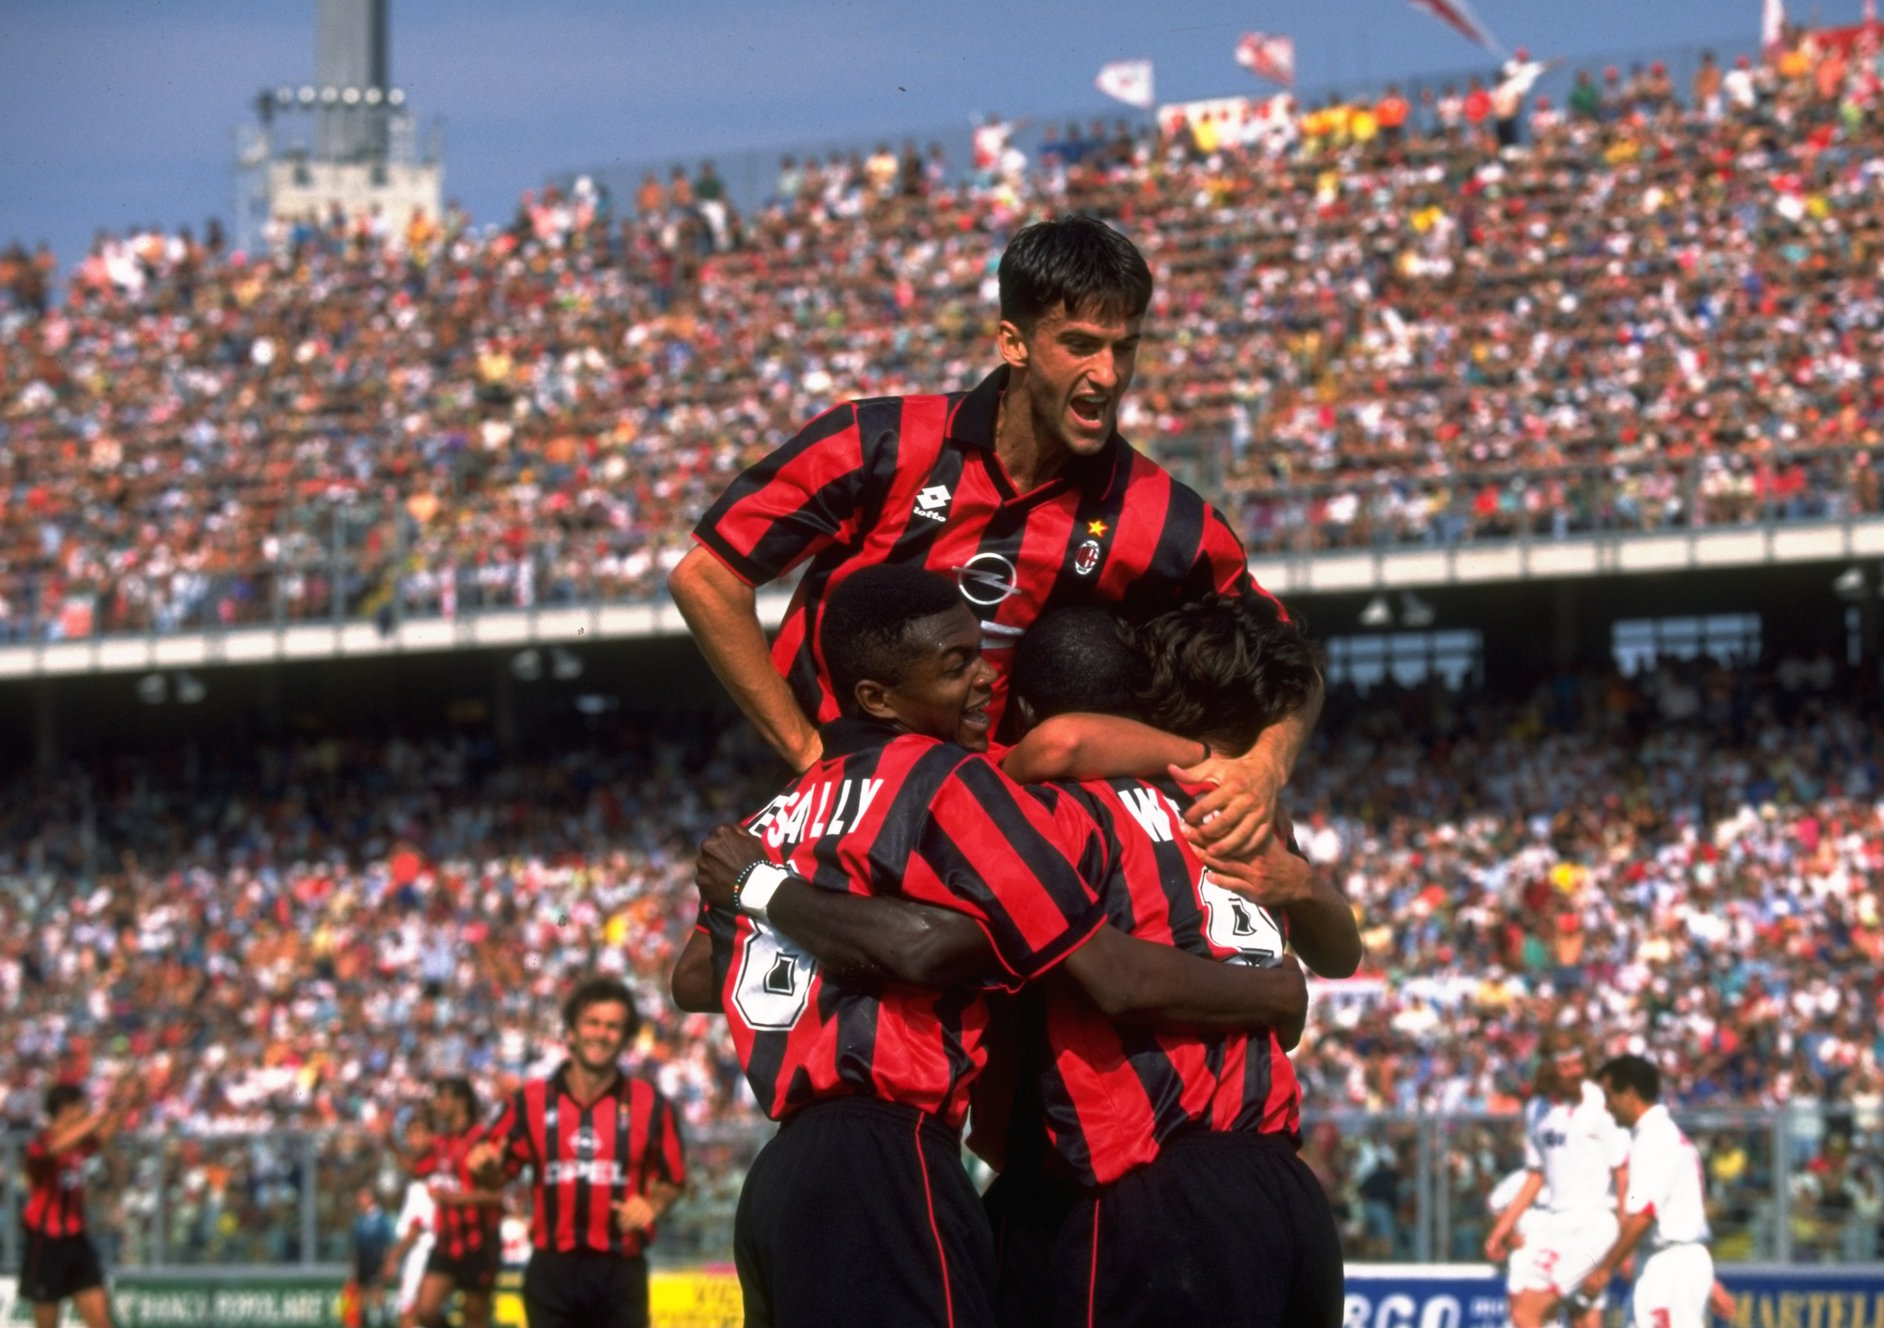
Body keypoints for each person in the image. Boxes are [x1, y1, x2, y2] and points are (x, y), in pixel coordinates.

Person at [693, 594, 1360, 1328]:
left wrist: (775, 890)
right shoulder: (1246, 813)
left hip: (1149, 1188)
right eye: (959, 666)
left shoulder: (1049, 812)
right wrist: (1283, 969)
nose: (982, 687)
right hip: (1282, 1186)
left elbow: (697, 974)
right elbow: (1338, 951)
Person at [668, 213, 1318, 857]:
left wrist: (1265, 767)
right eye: (1082, 345)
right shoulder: (877, 443)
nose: (1109, 374)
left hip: (995, 829)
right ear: (1014, 342)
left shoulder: (1162, 517)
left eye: (1126, 347)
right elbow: (705, 578)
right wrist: (805, 749)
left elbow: (1291, 662)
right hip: (834, 809)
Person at [468, 976, 686, 1328]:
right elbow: (497, 1175)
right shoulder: (529, 1102)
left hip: (620, 1269)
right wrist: (483, 1167)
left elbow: (673, 1179)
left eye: (613, 1027)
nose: (601, 1034)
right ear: (571, 1031)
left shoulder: (652, 1105)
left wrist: (653, 1203)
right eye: (593, 1023)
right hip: (553, 1270)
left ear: (626, 1038)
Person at [1485, 1031, 1629, 1328]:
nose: (1575, 1072)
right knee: (1571, 1313)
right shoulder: (1537, 1110)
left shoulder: (1600, 1101)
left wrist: (1626, 1244)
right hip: (1555, 1224)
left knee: (1530, 1310)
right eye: (1566, 1067)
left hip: (1595, 1224)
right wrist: (1503, 1228)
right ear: (1549, 1069)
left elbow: (1622, 1170)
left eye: (1579, 1064)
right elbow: (1537, 1174)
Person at [1579, 1056, 1716, 1328]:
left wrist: (1604, 1270)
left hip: (1670, 1263)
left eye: (1610, 1096)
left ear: (1629, 1094)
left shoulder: (1655, 1139)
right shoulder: (1653, 1136)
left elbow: (1644, 1213)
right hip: (1665, 1260)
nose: (1607, 1106)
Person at [20, 1082, 125, 1328]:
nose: (86, 1110)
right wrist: (94, 1119)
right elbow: (53, 1150)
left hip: (77, 1241)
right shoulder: (40, 1143)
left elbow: (104, 1133)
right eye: (80, 1106)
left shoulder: (80, 1144)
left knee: (101, 1321)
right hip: (46, 1244)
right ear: (65, 1109)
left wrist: (122, 1104)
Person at [408, 1078, 502, 1328]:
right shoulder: (441, 1142)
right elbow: (416, 1169)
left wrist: (456, 1199)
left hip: (479, 1242)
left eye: (443, 1098)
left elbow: (499, 1194)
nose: (438, 1104)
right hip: (447, 1242)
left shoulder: (482, 1138)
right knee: (425, 1311)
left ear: (460, 1102)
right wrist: (389, 1141)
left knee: (475, 1317)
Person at [383, 1118, 438, 1328]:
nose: (411, 1140)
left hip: (422, 1253)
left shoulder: (427, 1178)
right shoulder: (418, 1178)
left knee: (410, 1316)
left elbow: (416, 1229)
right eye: (409, 1134)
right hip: (419, 1254)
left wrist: (394, 1256)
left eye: (417, 1133)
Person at [350, 1186, 395, 1328]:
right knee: (362, 1294)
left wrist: (388, 1263)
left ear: (371, 1198)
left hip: (376, 1261)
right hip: (363, 1262)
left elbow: (388, 1243)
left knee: (377, 1291)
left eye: (363, 1196)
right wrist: (354, 1267)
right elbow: (356, 1246)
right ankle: (363, 1322)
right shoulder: (359, 1219)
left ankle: (385, 1321)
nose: (360, 1200)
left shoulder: (381, 1219)